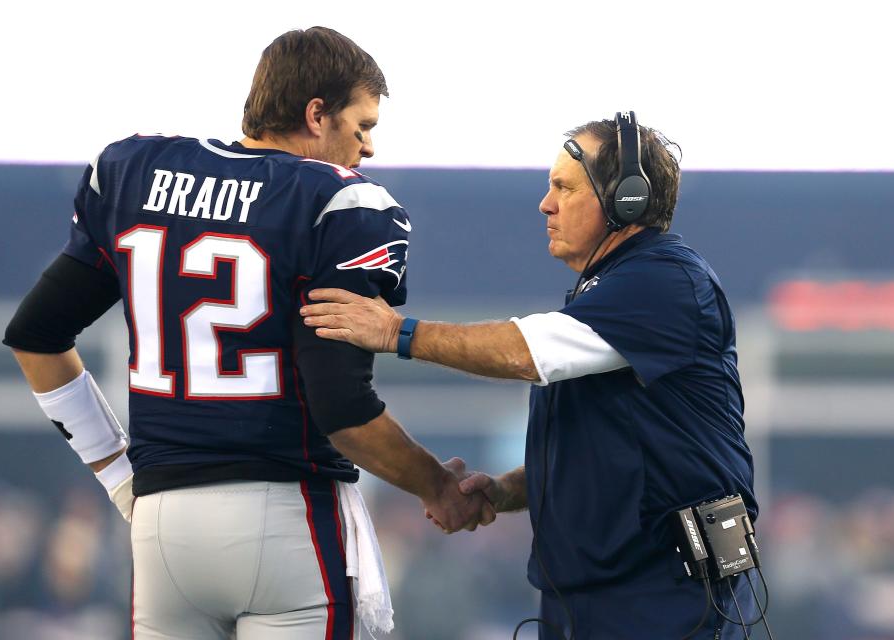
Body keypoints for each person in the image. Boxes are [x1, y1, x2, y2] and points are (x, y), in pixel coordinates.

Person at [3, 26, 492, 640]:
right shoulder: (340, 204)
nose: (367, 149)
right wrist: (437, 487)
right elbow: (341, 407)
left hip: (160, 528)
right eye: (363, 127)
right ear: (317, 114)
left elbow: (35, 337)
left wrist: (118, 477)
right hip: (284, 519)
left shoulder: (134, 171)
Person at [300, 114, 760, 638]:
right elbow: (603, 449)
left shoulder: (665, 279)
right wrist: (502, 489)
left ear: (626, 199)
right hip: (600, 594)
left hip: (663, 594)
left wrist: (395, 333)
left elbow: (525, 352)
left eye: (564, 187)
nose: (546, 204)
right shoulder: (610, 289)